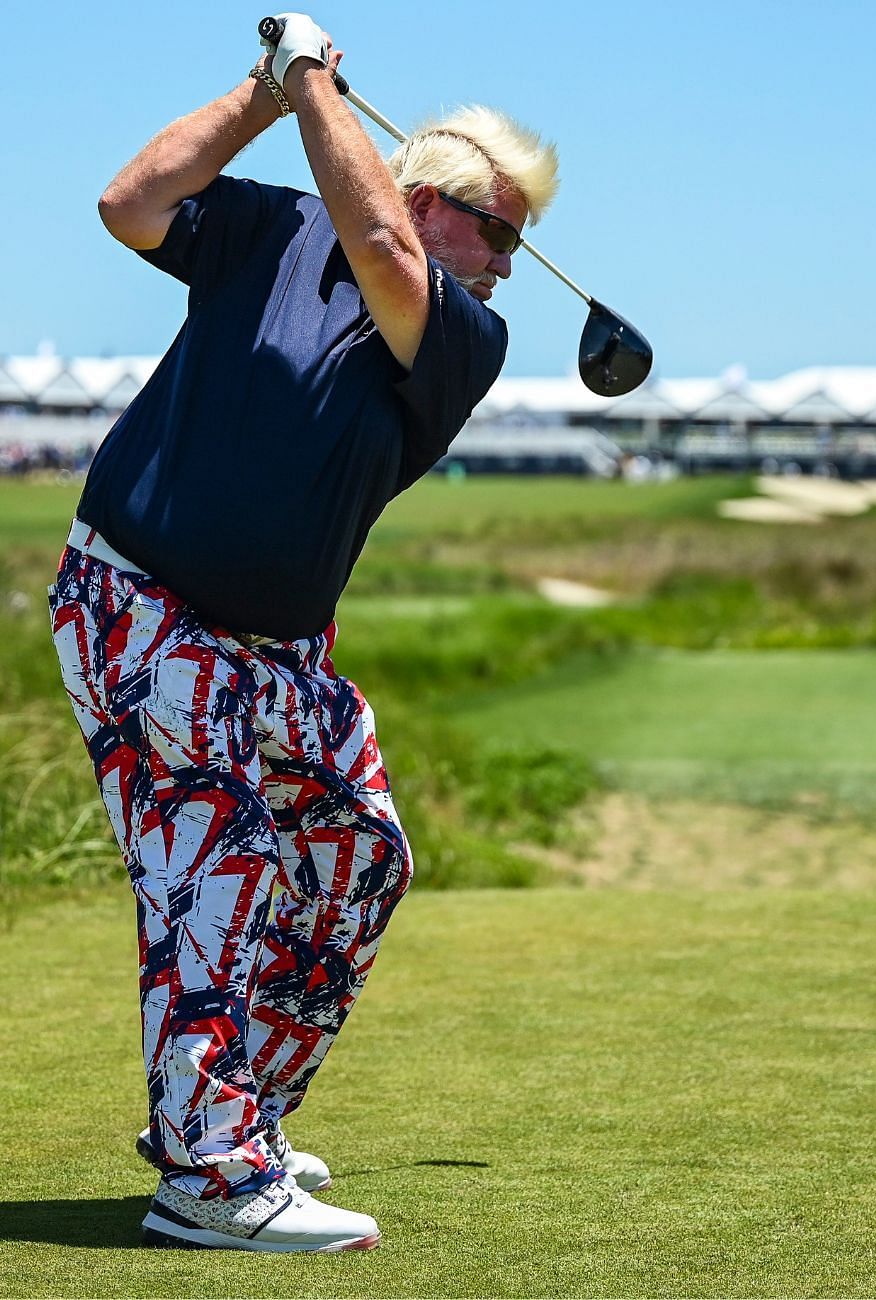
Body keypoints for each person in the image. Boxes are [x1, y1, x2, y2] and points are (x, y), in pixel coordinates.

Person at [47, 14, 555, 1252]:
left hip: (281, 654)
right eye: (498, 228)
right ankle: (210, 1179)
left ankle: (233, 1111)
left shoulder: (462, 333)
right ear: (436, 193)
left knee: (357, 858)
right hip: (141, 604)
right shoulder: (273, 224)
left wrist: (316, 78)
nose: (507, 260)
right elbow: (130, 202)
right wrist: (267, 92)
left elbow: (382, 241)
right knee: (212, 874)